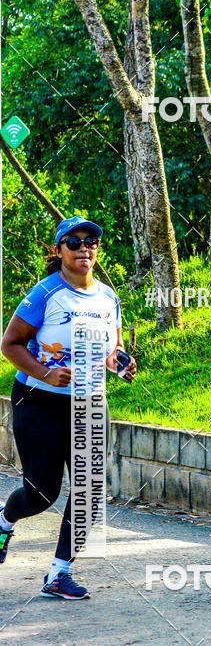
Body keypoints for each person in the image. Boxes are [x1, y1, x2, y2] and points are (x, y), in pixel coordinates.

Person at [0, 215, 137, 599]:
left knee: (90, 490)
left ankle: (58, 574)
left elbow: (112, 349)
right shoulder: (45, 294)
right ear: (58, 250)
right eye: (73, 243)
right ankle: (5, 520)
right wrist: (44, 373)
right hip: (39, 402)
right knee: (42, 493)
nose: (83, 249)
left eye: (90, 242)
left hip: (91, 403)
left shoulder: (108, 297)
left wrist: (120, 363)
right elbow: (10, 344)